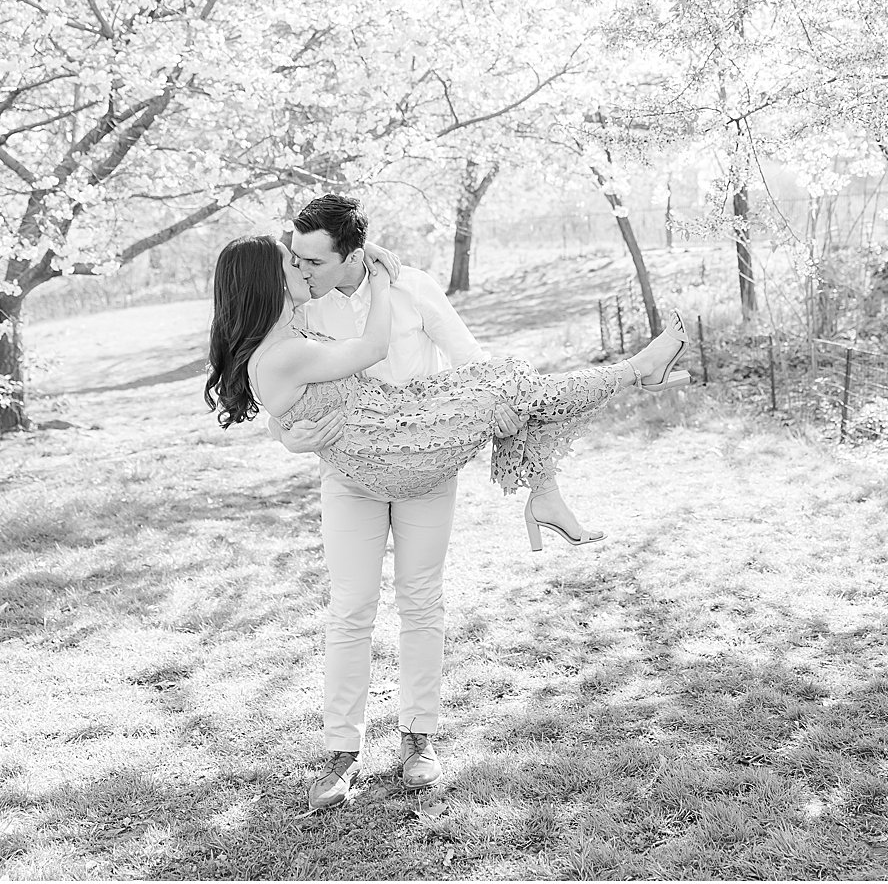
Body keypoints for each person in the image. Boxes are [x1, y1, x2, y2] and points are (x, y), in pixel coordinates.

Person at [204, 204, 690, 810]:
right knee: (350, 609)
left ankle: (419, 739)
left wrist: (288, 415)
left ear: (352, 254)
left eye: (311, 259)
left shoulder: (410, 287)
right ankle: (341, 754)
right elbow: (285, 381)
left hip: (420, 449)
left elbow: (467, 360)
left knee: (423, 597)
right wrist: (283, 432)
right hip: (355, 471)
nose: (301, 269)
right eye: (292, 261)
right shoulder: (304, 306)